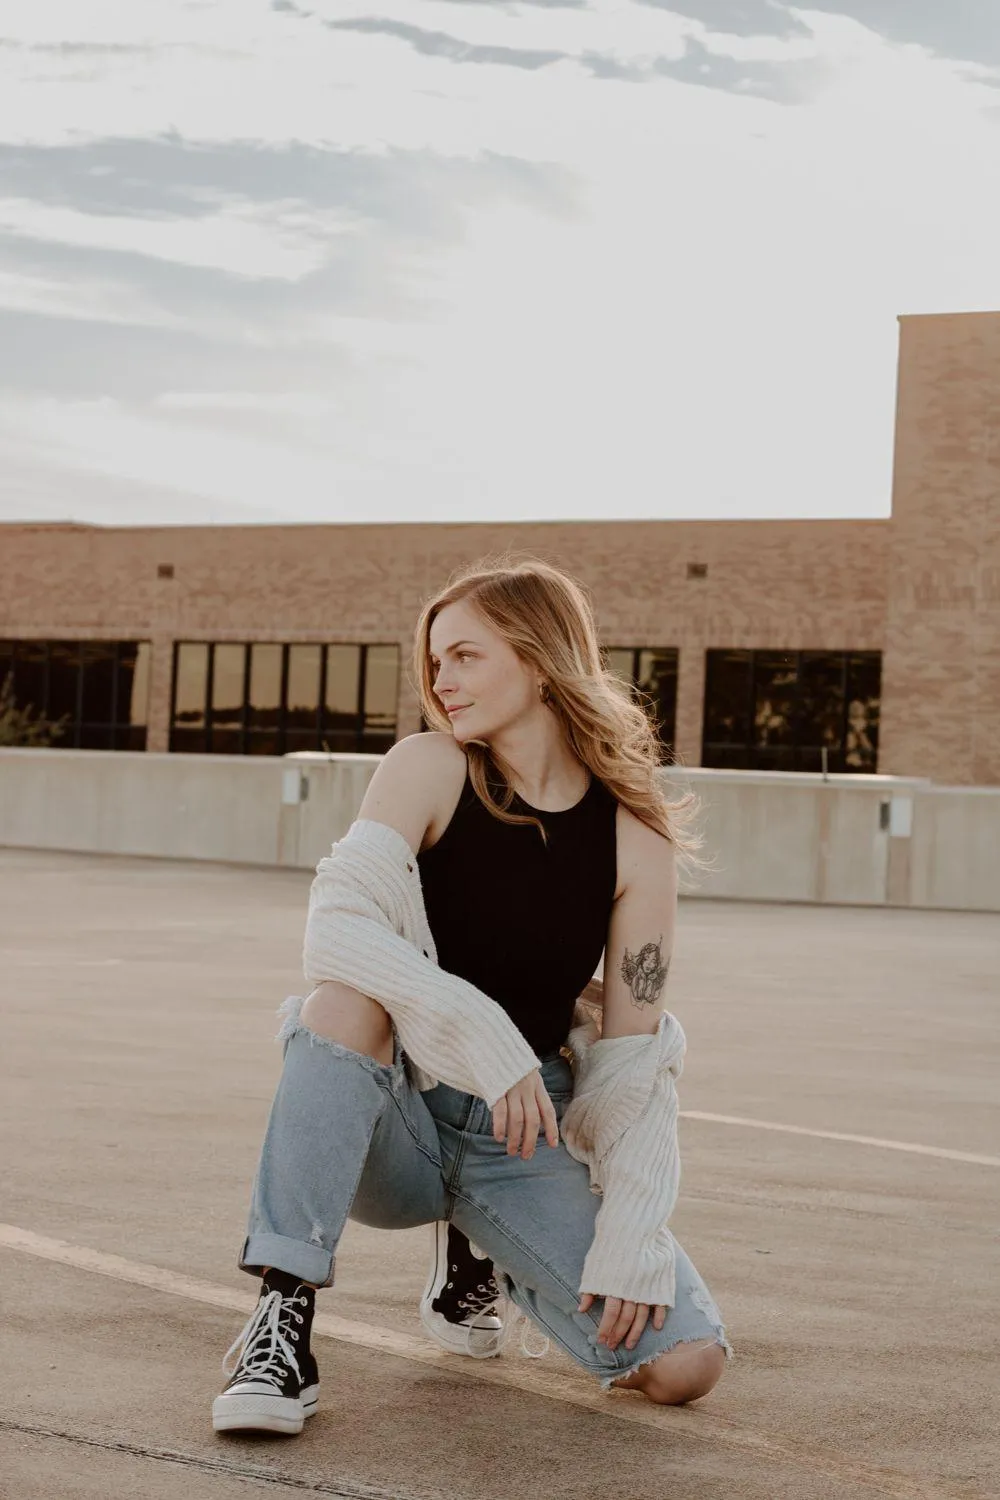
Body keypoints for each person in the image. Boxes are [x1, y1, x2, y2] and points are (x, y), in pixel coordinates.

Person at [212, 555, 732, 1436]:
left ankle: (483, 1246)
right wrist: (478, 1033)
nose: (440, 681)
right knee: (340, 1003)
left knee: (684, 1363)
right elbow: (334, 928)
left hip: (523, 1130)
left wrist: (632, 1233)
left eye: (464, 656)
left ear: (538, 657)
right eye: (435, 661)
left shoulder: (632, 838)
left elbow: (636, 1060)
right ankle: (282, 1321)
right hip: (401, 1116)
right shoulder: (430, 766)